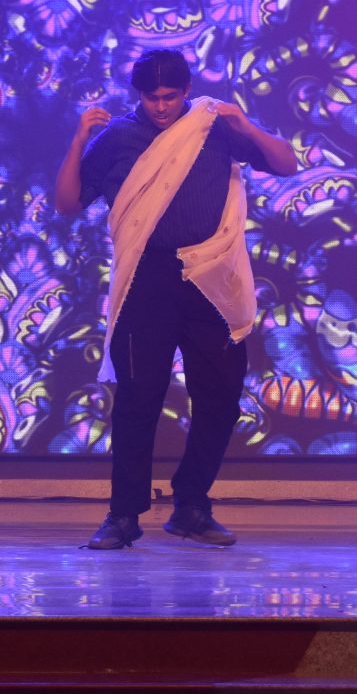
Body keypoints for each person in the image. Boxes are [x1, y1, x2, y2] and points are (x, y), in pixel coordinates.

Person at [56, 49, 298, 550]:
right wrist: (78, 141)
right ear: (139, 95)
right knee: (137, 398)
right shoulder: (118, 136)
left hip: (211, 276)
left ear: (187, 90)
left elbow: (286, 164)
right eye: (152, 98)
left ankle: (191, 505)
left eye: (170, 96)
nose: (162, 107)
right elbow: (67, 203)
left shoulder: (213, 126)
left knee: (221, 398)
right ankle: (123, 515)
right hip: (148, 279)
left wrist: (247, 127)